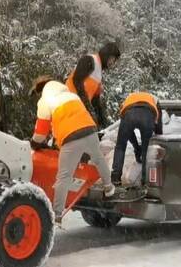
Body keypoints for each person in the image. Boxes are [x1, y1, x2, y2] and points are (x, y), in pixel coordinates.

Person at [29, 76, 116, 227]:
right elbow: (76, 117)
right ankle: (109, 187)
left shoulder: (45, 101)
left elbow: (41, 133)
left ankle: (57, 216)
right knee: (98, 159)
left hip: (71, 137)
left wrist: (34, 144)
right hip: (90, 130)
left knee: (64, 176)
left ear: (40, 90)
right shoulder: (71, 95)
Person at [111, 92, 163, 186]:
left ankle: (115, 178)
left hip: (129, 114)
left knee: (120, 147)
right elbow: (158, 125)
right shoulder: (154, 99)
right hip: (147, 114)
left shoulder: (129, 97)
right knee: (146, 151)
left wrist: (136, 147)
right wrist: (157, 136)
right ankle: (145, 181)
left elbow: (128, 131)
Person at [65, 42, 121, 127]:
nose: (112, 63)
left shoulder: (98, 73)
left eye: (114, 61)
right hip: (68, 103)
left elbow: (95, 100)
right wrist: (87, 104)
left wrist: (103, 121)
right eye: (112, 59)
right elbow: (77, 80)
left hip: (78, 107)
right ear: (106, 55)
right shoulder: (89, 60)